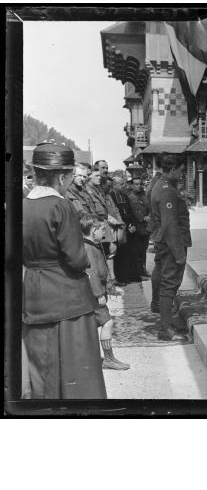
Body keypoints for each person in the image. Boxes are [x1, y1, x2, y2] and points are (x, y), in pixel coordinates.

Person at [22, 142, 106, 398]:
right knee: (78, 375)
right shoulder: (61, 206)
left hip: (34, 295)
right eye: (70, 176)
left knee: (42, 370)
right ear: (61, 176)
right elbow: (77, 259)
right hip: (68, 298)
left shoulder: (22, 205)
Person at [150, 154, 191, 340]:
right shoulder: (167, 191)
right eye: (181, 170)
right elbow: (170, 225)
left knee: (166, 283)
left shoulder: (162, 185)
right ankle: (166, 328)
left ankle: (167, 323)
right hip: (171, 245)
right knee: (169, 284)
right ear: (173, 169)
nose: (183, 174)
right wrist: (179, 253)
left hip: (164, 243)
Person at [80, 213, 130, 370]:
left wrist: (111, 289)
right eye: (102, 229)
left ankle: (90, 357)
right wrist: (99, 294)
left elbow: (102, 273)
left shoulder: (91, 245)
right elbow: (92, 273)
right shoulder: (88, 248)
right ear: (93, 230)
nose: (104, 233)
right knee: (107, 323)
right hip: (93, 295)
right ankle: (109, 359)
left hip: (94, 293)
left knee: (92, 326)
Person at [111, 174, 140, 284]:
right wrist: (125, 225)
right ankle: (122, 277)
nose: (124, 186)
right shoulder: (111, 195)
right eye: (121, 184)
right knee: (120, 255)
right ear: (115, 185)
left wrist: (132, 224)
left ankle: (130, 276)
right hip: (120, 227)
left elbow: (129, 210)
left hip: (128, 227)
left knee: (129, 253)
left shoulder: (124, 195)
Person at [127, 177, 151, 279]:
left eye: (140, 184)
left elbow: (150, 207)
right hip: (136, 228)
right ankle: (138, 272)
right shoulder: (129, 197)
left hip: (145, 228)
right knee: (136, 251)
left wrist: (149, 216)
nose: (139, 186)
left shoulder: (145, 196)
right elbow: (132, 211)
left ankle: (143, 270)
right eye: (136, 184)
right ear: (132, 185)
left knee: (143, 250)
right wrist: (142, 218)